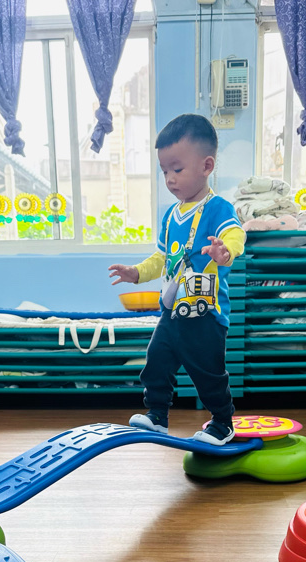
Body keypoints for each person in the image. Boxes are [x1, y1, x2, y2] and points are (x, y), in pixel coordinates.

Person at [109, 113, 245, 446]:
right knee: (157, 360)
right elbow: (162, 258)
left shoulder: (218, 208)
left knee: (207, 372)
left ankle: (222, 423)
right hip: (172, 310)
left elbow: (235, 234)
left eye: (177, 169)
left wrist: (225, 251)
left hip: (206, 314)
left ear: (206, 166)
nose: (170, 179)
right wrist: (136, 273)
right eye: (165, 171)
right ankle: (157, 415)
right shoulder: (171, 216)